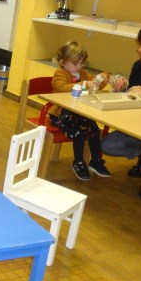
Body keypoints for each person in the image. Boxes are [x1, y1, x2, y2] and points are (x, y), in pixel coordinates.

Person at [103, 19, 141, 200]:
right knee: (108, 145)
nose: (140, 50)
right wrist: (122, 91)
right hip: (137, 126)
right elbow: (133, 98)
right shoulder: (139, 66)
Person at [50, 41, 111, 181]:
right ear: (62, 62)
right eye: (75, 63)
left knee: (95, 130)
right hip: (61, 114)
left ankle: (96, 161)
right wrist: (83, 84)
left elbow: (95, 85)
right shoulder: (60, 73)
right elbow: (61, 87)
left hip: (79, 114)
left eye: (81, 63)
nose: (79, 67)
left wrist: (101, 79)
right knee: (79, 131)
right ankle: (78, 162)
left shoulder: (83, 73)